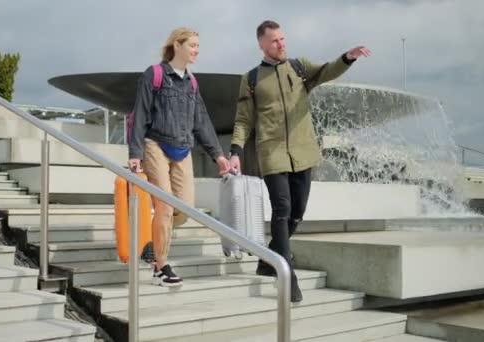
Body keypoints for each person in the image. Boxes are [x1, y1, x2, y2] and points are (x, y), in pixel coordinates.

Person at [229, 20, 371, 302]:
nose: (281, 44)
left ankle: (267, 258)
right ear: (261, 44)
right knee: (281, 209)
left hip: (303, 151)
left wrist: (348, 58)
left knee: (297, 213)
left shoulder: (299, 66)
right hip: (272, 153)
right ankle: (287, 275)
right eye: (274, 41)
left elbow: (328, 71)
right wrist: (235, 151)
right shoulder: (253, 78)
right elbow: (244, 120)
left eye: (283, 39)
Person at [128, 27, 231, 287]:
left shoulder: (191, 83)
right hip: (156, 145)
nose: (196, 50)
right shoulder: (155, 74)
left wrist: (218, 155)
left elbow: (202, 122)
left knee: (183, 209)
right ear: (177, 45)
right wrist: (135, 153)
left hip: (183, 148)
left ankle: (155, 239)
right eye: (193, 45)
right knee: (164, 205)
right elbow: (139, 115)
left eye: (198, 46)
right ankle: (160, 266)